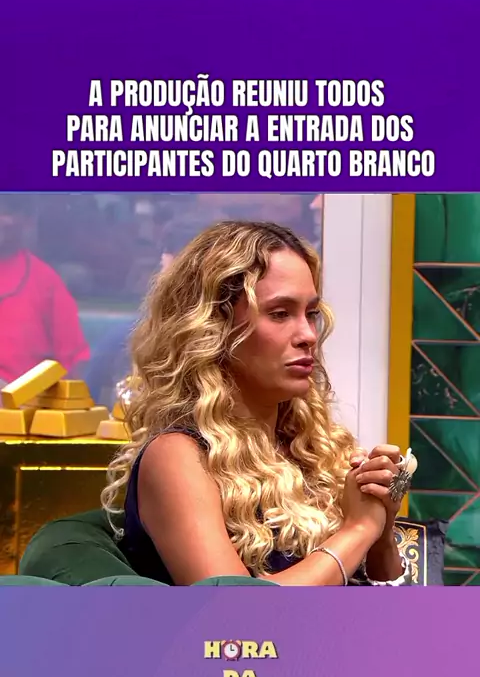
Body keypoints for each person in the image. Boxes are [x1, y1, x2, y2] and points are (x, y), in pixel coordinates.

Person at [102, 221, 414, 586]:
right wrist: (357, 530)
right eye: (280, 313)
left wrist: (381, 529)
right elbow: (238, 609)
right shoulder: (177, 457)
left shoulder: (313, 446)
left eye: (311, 313)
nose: (308, 335)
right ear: (213, 328)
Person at [0, 195, 90, 388]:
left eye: (5, 212)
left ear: (26, 220)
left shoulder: (45, 281)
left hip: (23, 400)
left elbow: (73, 362)